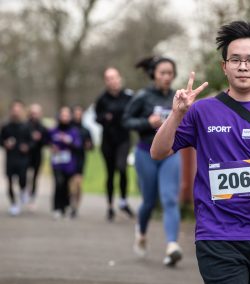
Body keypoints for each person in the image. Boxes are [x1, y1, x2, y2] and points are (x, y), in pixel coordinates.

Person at [150, 21, 250, 283]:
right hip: (216, 233)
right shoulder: (202, 111)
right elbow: (158, 152)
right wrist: (177, 113)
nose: (243, 66)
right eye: (235, 59)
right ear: (224, 67)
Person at [123, 56, 183, 267]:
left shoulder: (177, 97)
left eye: (170, 73)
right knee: (149, 201)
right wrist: (146, 122)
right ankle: (141, 231)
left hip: (171, 154)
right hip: (145, 153)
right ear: (154, 75)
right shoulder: (143, 97)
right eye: (162, 73)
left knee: (169, 199)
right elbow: (126, 121)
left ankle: (172, 246)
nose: (167, 77)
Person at [95, 67, 134, 221]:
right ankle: (110, 206)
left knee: (122, 167)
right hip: (108, 141)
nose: (113, 81)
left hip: (123, 139)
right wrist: (105, 117)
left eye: (115, 77)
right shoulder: (102, 99)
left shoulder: (128, 96)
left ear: (120, 78)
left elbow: (135, 113)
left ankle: (123, 201)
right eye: (109, 78)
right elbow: (96, 118)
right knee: (110, 174)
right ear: (106, 81)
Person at [48, 106, 82, 219]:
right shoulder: (53, 130)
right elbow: (47, 141)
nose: (64, 118)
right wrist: (52, 147)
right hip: (57, 162)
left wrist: (68, 141)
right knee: (58, 183)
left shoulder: (73, 131)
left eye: (67, 115)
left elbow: (78, 146)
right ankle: (57, 207)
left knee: (67, 185)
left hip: (69, 163)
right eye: (63, 115)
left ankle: (65, 205)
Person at [0, 100, 32, 216]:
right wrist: (5, 144)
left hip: (22, 157)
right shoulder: (6, 126)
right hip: (10, 157)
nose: (16, 112)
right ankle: (13, 204)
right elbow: (1, 141)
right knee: (9, 182)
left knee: (22, 178)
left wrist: (27, 147)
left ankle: (23, 191)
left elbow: (32, 141)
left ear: (22, 111)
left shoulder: (26, 126)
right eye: (14, 110)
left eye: (18, 110)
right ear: (11, 111)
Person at [69, 105, 94, 218]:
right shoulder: (68, 128)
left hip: (80, 158)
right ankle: (69, 203)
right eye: (76, 113)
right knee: (70, 185)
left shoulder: (86, 130)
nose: (78, 116)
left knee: (78, 184)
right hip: (68, 159)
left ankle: (75, 207)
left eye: (80, 113)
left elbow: (91, 147)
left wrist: (89, 145)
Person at [26, 103, 48, 207]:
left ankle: (32, 196)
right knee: (24, 175)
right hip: (26, 155)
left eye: (37, 113)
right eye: (33, 113)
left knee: (35, 176)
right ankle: (24, 191)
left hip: (37, 155)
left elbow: (46, 142)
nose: (34, 115)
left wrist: (40, 139)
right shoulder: (25, 126)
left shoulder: (43, 127)